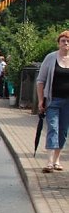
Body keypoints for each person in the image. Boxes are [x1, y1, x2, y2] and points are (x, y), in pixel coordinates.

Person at [37, 30, 69, 173]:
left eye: (68, 41)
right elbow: (40, 80)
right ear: (58, 43)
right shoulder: (50, 58)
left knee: (63, 131)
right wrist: (40, 100)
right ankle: (49, 162)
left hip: (67, 102)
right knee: (53, 128)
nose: (66, 43)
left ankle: (57, 160)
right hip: (53, 100)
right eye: (63, 41)